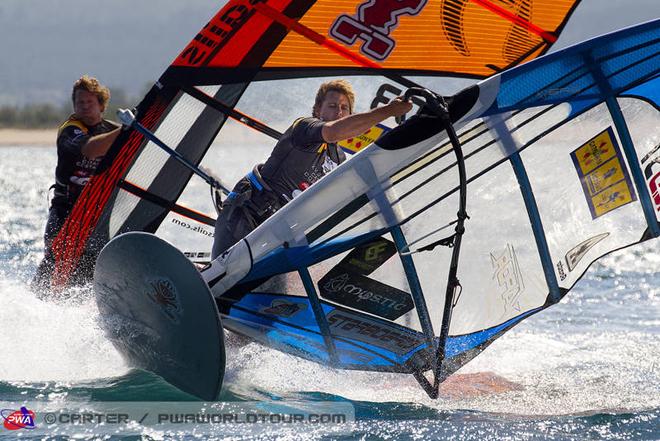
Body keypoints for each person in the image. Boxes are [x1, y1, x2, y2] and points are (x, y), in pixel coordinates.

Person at [212, 79, 412, 258]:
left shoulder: (338, 158)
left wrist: (394, 220)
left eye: (344, 108)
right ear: (317, 109)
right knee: (224, 286)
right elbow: (333, 131)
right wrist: (388, 111)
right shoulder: (304, 127)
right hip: (246, 218)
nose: (339, 112)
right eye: (332, 106)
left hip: (279, 233)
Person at [32, 75, 122, 289]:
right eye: (79, 103)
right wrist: (125, 131)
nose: (84, 107)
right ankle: (36, 303)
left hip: (97, 215)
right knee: (53, 266)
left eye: (89, 102)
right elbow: (90, 150)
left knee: (89, 271)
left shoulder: (112, 130)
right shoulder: (70, 128)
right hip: (65, 212)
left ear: (101, 105)